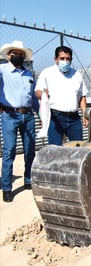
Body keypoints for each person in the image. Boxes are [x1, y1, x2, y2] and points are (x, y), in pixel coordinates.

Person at [0, 40, 38, 202]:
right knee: (9, 151)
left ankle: (28, 179)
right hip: (9, 116)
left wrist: (42, 116)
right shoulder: (1, 71)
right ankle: (7, 187)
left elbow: (33, 98)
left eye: (21, 54)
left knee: (30, 150)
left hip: (28, 116)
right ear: (9, 55)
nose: (19, 56)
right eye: (16, 53)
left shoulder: (29, 74)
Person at [35, 46, 88, 145]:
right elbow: (37, 91)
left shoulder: (77, 75)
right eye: (62, 58)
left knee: (78, 149)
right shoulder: (47, 73)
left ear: (71, 60)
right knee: (55, 150)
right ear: (56, 59)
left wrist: (85, 114)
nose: (65, 61)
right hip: (55, 118)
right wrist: (43, 94)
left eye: (68, 59)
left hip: (74, 119)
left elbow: (82, 97)